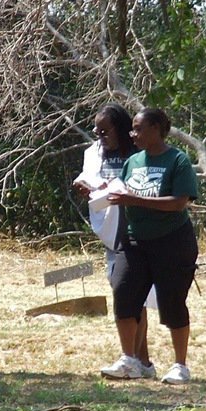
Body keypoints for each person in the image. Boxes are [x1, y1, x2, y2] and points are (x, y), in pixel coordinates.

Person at [99, 108, 199, 385]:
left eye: (139, 128)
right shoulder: (133, 162)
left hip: (172, 242)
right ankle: (130, 361)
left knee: (172, 303)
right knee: (123, 293)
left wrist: (134, 200)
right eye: (132, 129)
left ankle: (180, 366)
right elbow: (125, 195)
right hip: (134, 241)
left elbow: (179, 202)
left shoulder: (177, 161)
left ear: (157, 129)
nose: (133, 134)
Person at [72, 104, 155, 376]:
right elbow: (90, 178)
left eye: (105, 130)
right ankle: (142, 362)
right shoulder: (94, 154)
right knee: (128, 296)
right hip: (111, 233)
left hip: (137, 231)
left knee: (132, 296)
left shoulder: (138, 153)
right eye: (96, 129)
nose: (99, 134)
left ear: (120, 129)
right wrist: (87, 187)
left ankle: (133, 360)